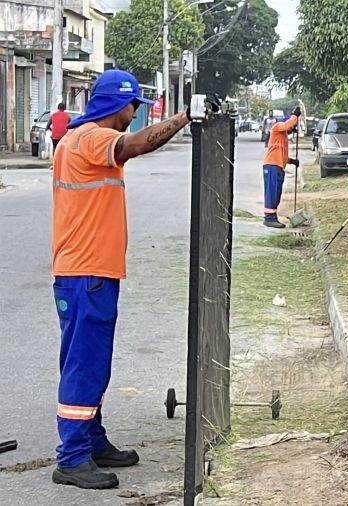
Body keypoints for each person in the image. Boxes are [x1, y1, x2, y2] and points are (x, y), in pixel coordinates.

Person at [50, 69, 209, 489]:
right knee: (85, 365)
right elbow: (138, 144)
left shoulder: (78, 140)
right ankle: (72, 458)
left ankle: (92, 440)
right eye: (134, 105)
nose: (135, 113)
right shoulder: (92, 138)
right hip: (86, 272)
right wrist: (184, 118)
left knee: (90, 361)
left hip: (86, 272)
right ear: (119, 104)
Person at [262, 109, 302, 228]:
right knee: (272, 192)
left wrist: (292, 161)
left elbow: (282, 154)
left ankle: (273, 216)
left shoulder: (283, 137)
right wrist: (295, 116)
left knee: (276, 193)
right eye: (292, 126)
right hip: (272, 165)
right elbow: (287, 125)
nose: (292, 129)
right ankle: (269, 218)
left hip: (278, 167)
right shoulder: (277, 127)